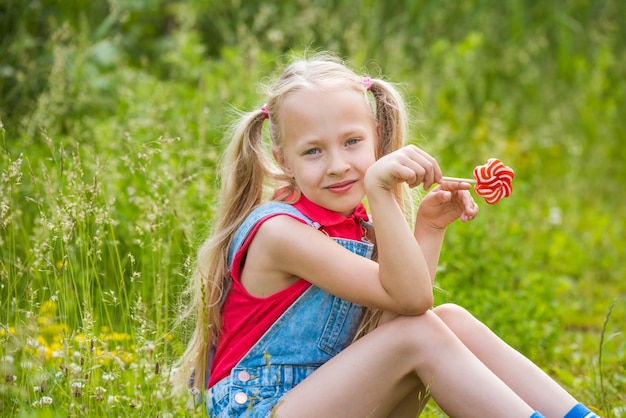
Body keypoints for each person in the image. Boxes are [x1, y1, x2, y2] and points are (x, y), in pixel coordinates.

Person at [176, 53, 599, 418]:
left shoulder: (358, 226)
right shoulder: (279, 232)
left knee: (445, 320)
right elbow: (411, 307)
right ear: (282, 160)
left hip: (330, 401)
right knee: (417, 335)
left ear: (377, 139)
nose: (339, 164)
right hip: (262, 408)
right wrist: (379, 191)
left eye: (352, 141)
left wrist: (429, 229)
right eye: (313, 151)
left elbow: (407, 306)